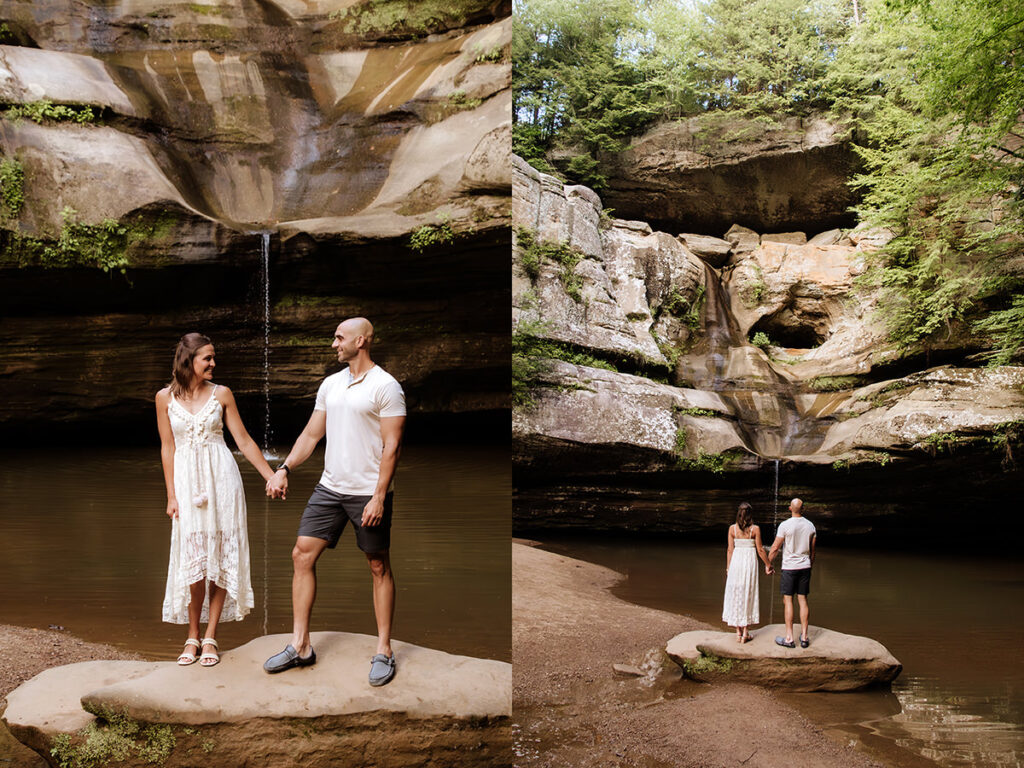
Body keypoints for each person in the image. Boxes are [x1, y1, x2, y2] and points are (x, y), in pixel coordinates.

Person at [263, 317, 406, 687]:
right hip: (330, 489)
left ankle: (384, 650)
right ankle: (301, 646)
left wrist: (378, 497)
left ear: (361, 341)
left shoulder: (386, 386)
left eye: (339, 338)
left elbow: (392, 446)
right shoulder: (331, 384)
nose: (333, 344)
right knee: (301, 554)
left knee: (377, 565)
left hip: (367, 493)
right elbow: (312, 434)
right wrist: (284, 469)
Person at [155, 332, 276, 667]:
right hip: (186, 485)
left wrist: (272, 476)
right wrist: (171, 495)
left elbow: (245, 441)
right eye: (207, 357)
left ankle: (210, 637)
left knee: (219, 559)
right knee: (193, 561)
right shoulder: (164, 398)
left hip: (222, 482)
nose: (213, 363)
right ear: (188, 360)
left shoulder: (222, 394)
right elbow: (167, 448)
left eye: (213, 357)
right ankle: (191, 635)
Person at [766, 498, 817, 649]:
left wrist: (768, 564)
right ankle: (805, 637)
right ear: (803, 509)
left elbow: (775, 548)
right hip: (805, 566)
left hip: (789, 567)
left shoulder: (785, 525)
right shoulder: (810, 526)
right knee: (803, 600)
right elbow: (813, 551)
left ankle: (789, 638)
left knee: (788, 600)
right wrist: (810, 566)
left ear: (790, 508)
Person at [722, 502, 772, 643]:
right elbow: (761, 550)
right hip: (749, 562)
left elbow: (730, 550)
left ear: (738, 513)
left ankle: (738, 632)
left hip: (736, 562)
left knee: (736, 593)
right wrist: (768, 564)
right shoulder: (755, 529)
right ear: (751, 514)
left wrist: (728, 568)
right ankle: (745, 632)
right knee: (748, 593)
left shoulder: (732, 529)